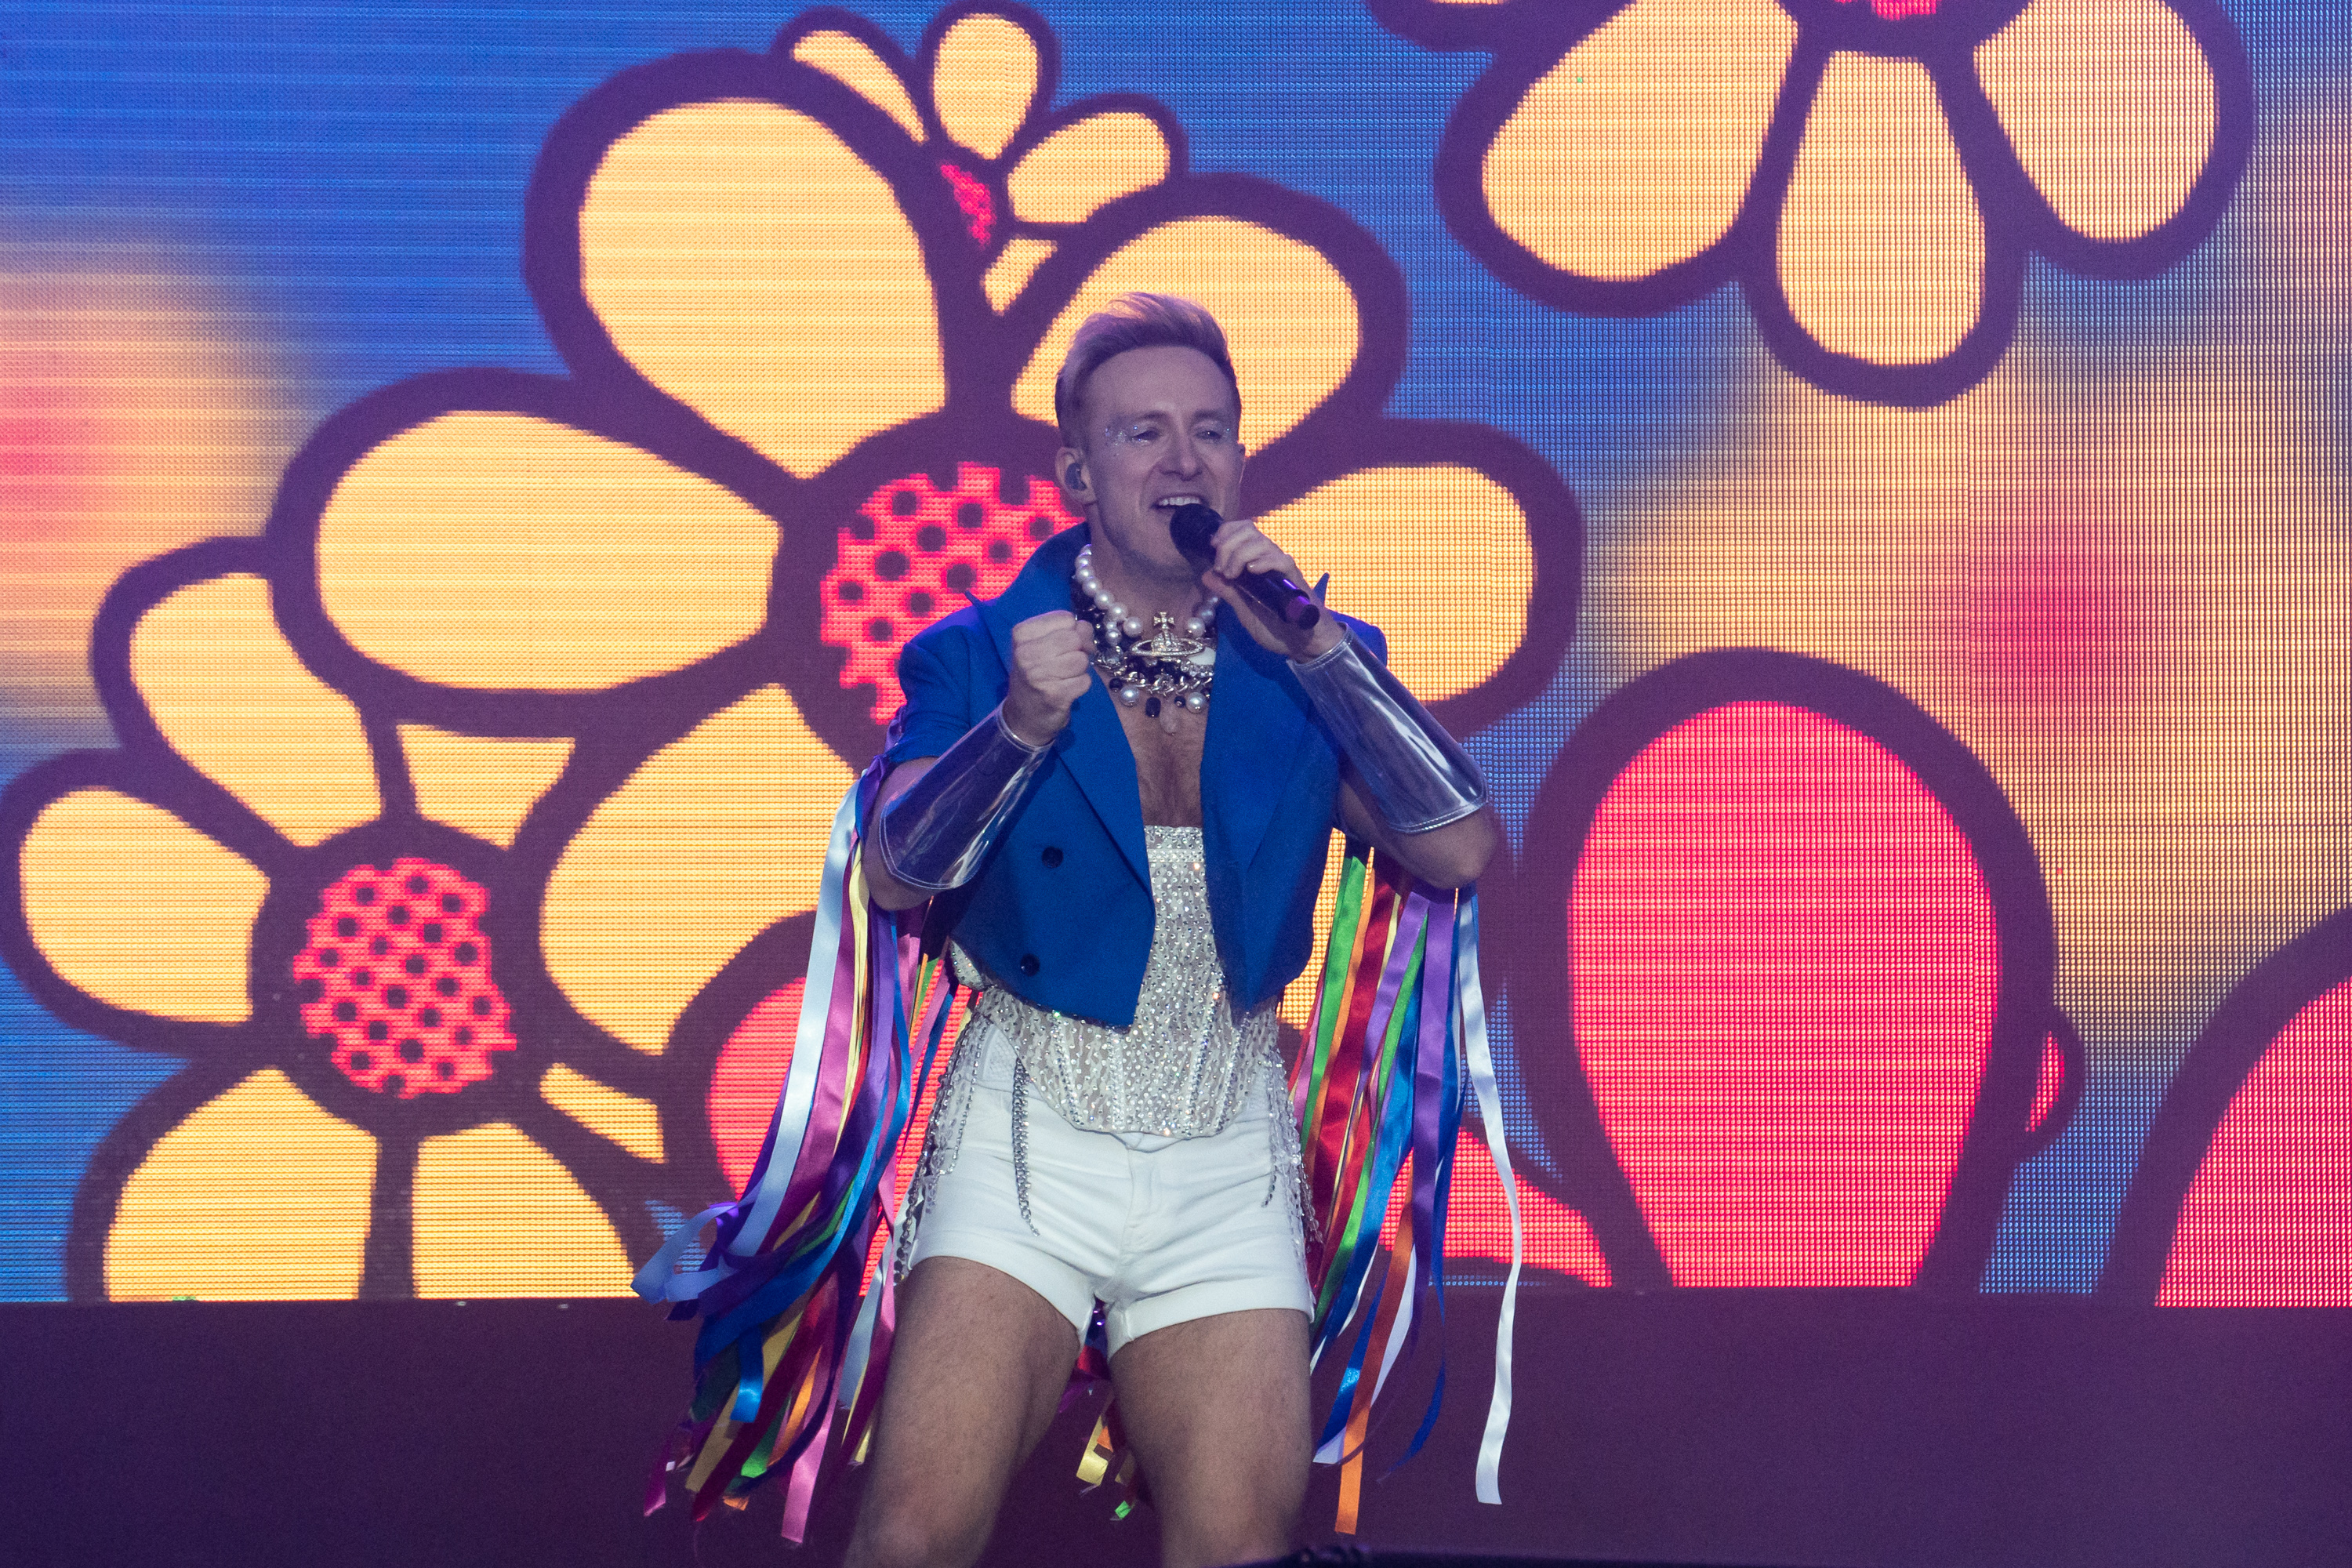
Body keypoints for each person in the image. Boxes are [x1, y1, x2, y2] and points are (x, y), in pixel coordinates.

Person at [845, 293, 1499, 1568]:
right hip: (1029, 1137)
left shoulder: (1310, 659)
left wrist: (1315, 651)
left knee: (1239, 1548)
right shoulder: (975, 653)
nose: (1183, 461)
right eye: (1143, 433)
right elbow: (892, 878)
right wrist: (1019, 729)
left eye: (1211, 430)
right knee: (914, 1537)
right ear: (1079, 472)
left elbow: (1462, 849)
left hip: (1226, 1150)